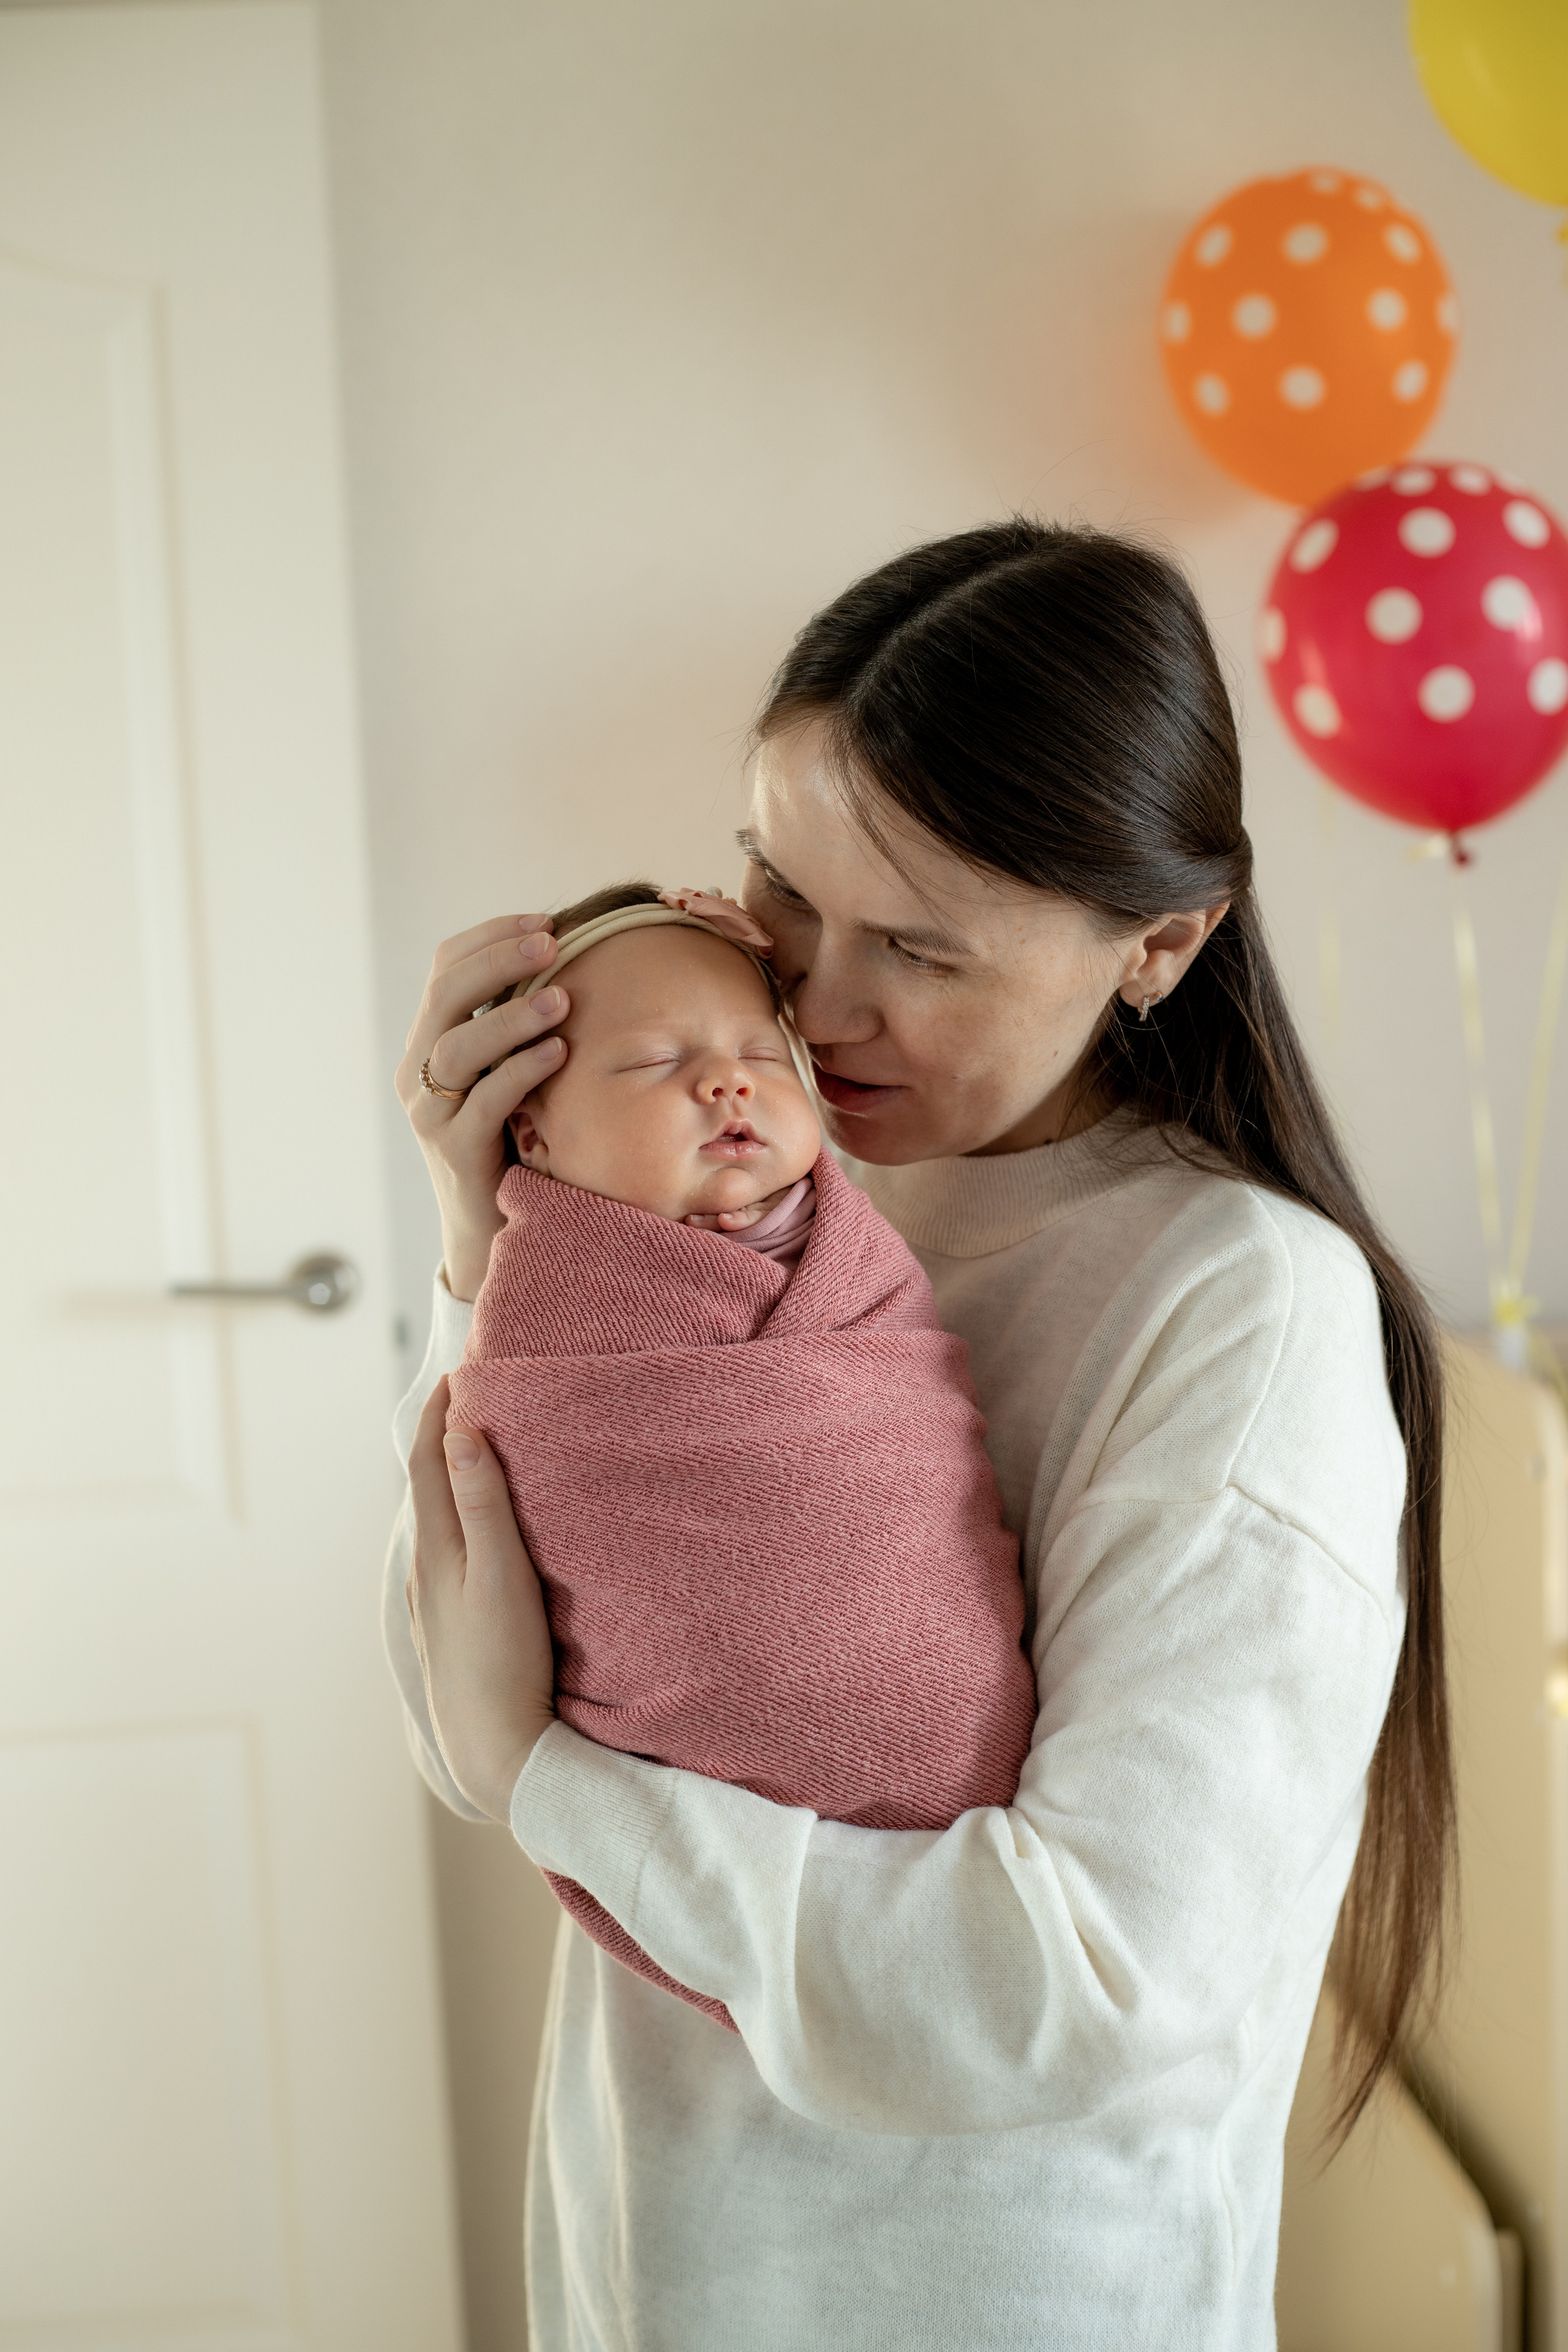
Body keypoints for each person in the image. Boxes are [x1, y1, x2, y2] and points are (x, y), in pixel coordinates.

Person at [388, 519, 1451, 2351]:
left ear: (1163, 943)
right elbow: (455, 1703)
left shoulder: (1236, 1309)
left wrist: (559, 1786)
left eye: (921, 949)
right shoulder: (725, 1208)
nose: (810, 1000)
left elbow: (1069, 1989)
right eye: (779, 896)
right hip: (650, 2252)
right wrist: (493, 1243)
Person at [445, 876, 1035, 2029]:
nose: (725, 1082)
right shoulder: (546, 1312)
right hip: (689, 1800)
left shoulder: (859, 1248)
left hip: (961, 1821)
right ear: (535, 1131)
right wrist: (470, 1240)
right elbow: (452, 1673)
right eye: (653, 1063)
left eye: (764, 1054)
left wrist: (508, 1754)